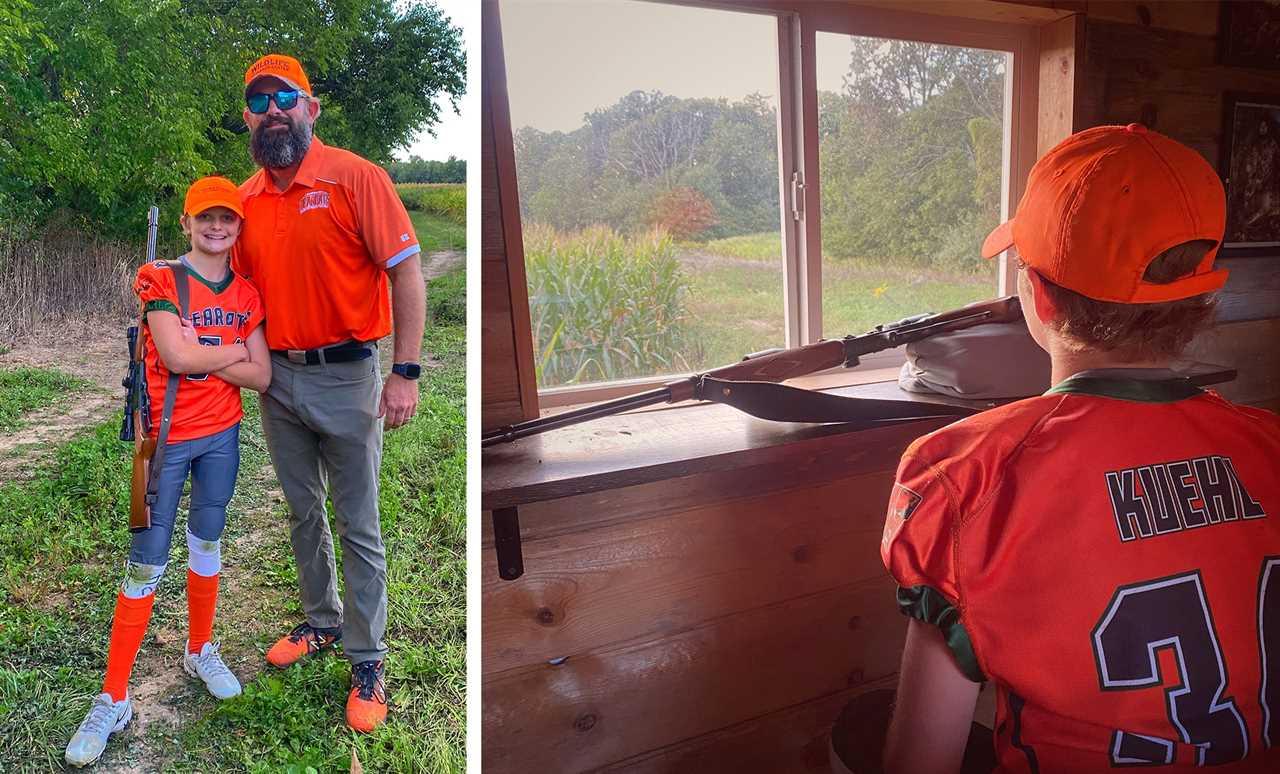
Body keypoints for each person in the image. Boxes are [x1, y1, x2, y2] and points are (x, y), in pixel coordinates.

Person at [879, 124, 1280, 773]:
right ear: (1198, 297)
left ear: (1036, 295)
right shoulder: (1271, 447)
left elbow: (919, 760)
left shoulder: (963, 474)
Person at [231, 53, 426, 733]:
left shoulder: (354, 177)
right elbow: (228, 292)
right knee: (301, 512)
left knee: (358, 523)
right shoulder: (246, 200)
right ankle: (321, 622)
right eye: (259, 101)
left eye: (286, 96)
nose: (273, 110)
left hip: (349, 376)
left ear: (311, 108)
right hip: (277, 379)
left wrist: (404, 371)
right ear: (248, 119)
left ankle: (367, 658)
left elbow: (405, 272)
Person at [65, 176, 269, 767]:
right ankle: (114, 697)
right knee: (146, 563)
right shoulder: (161, 278)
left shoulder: (247, 294)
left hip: (221, 439)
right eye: (205, 217)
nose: (216, 227)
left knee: (207, 542)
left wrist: (210, 350)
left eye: (227, 219)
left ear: (238, 228)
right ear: (185, 223)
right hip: (165, 443)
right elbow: (177, 357)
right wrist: (231, 350)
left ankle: (200, 648)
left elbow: (263, 377)